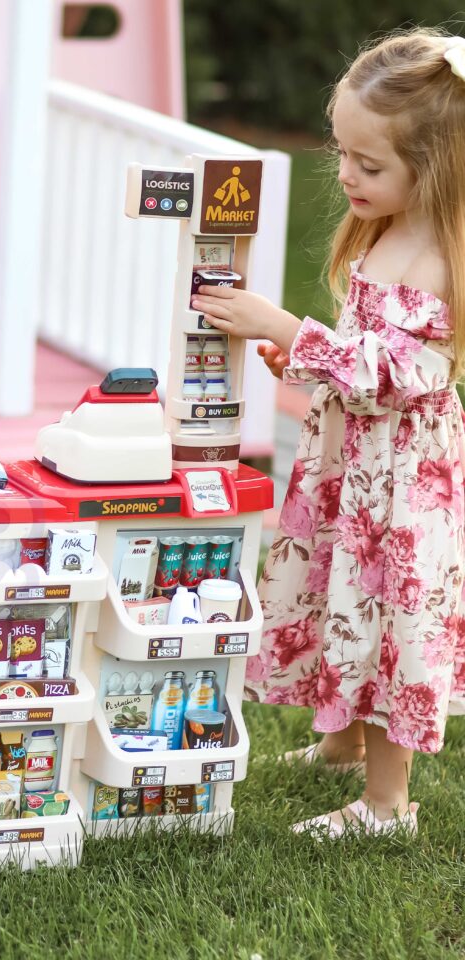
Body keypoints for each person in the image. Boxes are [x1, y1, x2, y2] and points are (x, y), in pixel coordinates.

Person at [191, 27, 465, 838]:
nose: (345, 174)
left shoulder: (440, 259)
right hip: (353, 469)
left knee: (386, 621)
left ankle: (387, 805)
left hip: (400, 490)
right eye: (341, 152)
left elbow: (398, 374)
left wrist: (285, 326)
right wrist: (306, 360)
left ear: (437, 168)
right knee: (341, 597)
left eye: (368, 164)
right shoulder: (386, 232)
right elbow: (358, 355)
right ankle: (341, 746)